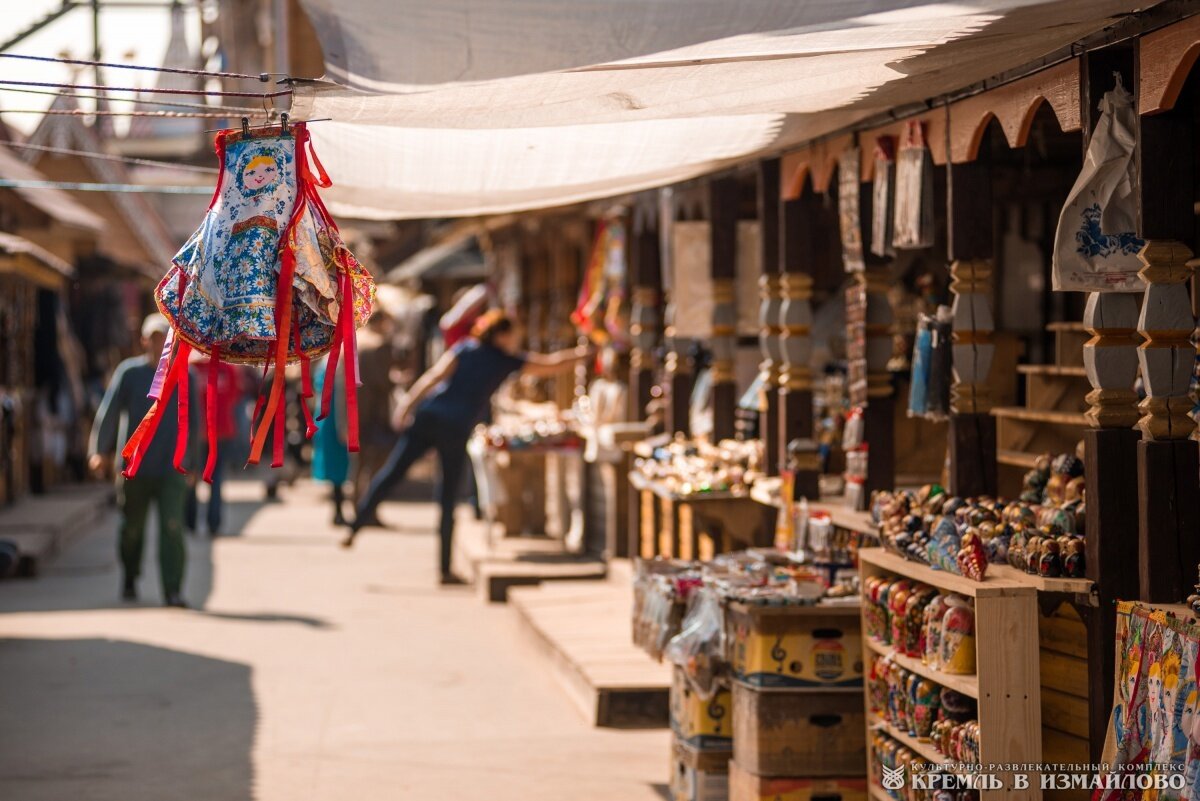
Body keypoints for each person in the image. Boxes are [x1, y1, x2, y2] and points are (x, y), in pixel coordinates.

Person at [343, 310, 589, 584]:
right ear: (502, 334)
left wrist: (407, 405)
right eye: (514, 334)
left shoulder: (465, 349)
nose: (516, 340)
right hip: (454, 428)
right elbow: (551, 364)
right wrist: (583, 354)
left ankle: (356, 525)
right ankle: (445, 570)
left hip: (428, 416)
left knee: (393, 472)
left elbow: (434, 377)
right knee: (447, 498)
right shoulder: (506, 361)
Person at [88, 314, 195, 607]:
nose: (160, 343)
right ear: (145, 340)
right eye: (155, 337)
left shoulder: (185, 373)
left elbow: (196, 423)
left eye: (166, 337)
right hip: (134, 468)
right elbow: (108, 413)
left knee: (173, 528)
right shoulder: (129, 373)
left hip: (172, 467)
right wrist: (99, 451)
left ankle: (172, 590)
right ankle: (130, 575)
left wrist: (195, 464)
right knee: (132, 528)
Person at [184, 353, 244, 536]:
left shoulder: (191, 368)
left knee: (192, 475)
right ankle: (214, 523)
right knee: (216, 478)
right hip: (222, 430)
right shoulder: (227, 367)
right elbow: (236, 395)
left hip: (198, 433)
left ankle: (190, 522)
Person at [312, 354, 351, 525]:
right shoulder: (338, 363)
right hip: (334, 420)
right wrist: (344, 426)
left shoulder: (323, 363)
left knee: (336, 469)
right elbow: (341, 397)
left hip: (324, 418)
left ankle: (338, 510)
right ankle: (338, 511)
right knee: (338, 469)